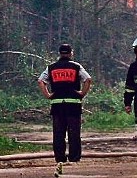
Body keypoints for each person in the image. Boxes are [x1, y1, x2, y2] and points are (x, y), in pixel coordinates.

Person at [38, 43, 92, 174]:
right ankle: (74, 158)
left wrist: (48, 95)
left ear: (60, 53)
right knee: (74, 133)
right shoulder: (76, 66)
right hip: (73, 104)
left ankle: (60, 158)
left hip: (57, 105)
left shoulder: (51, 68)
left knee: (58, 134)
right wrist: (82, 93)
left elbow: (41, 81)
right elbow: (88, 79)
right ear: (71, 53)